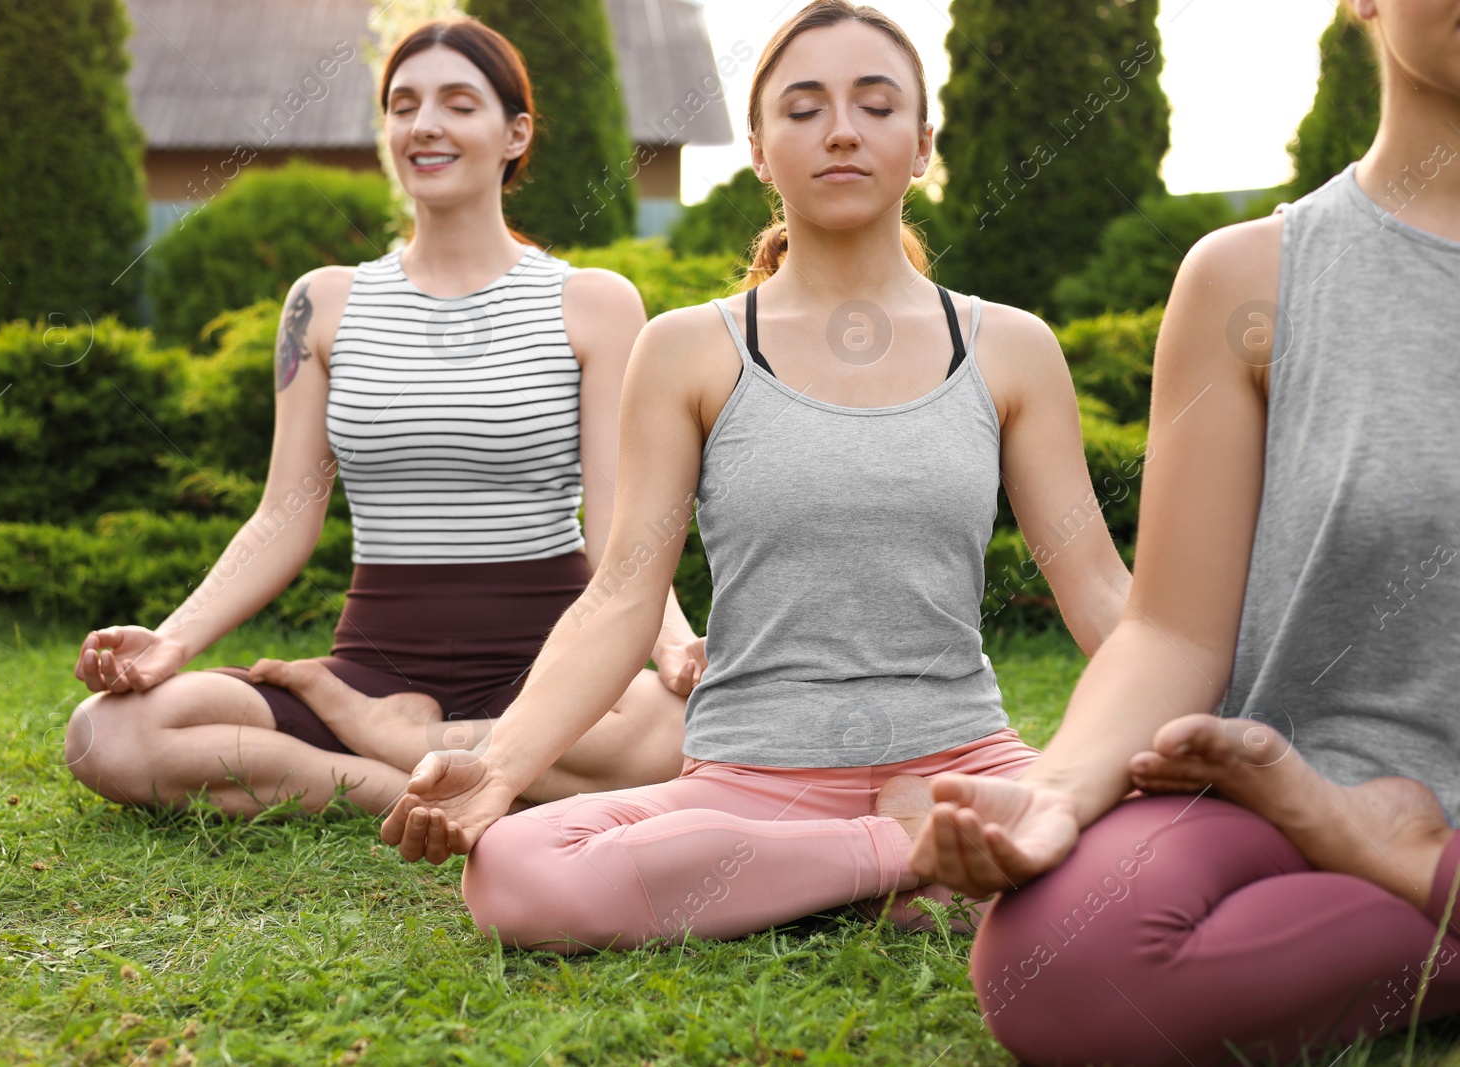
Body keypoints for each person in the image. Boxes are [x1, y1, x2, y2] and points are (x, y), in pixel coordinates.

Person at [378, 0, 1134, 954]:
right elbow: (620, 595)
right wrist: (495, 766)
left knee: (1148, 841)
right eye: (805, 107)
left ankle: (866, 864)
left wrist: (1214, 732)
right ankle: (907, 858)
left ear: (922, 142)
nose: (843, 131)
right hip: (751, 780)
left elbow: (1104, 593)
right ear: (760, 150)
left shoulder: (1010, 349)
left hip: (963, 760)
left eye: (876, 104)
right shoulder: (688, 350)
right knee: (516, 872)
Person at [899, 0, 1460, 1062]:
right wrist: (1055, 789)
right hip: (1282, 789)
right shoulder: (1251, 280)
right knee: (1060, 964)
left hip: (1333, 828)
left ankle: (1395, 859)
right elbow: (1172, 630)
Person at [63, 17, 705, 818]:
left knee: (686, 732)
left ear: (516, 133)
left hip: (552, 659)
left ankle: (399, 746)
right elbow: (282, 517)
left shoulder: (593, 304)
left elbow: (619, 527)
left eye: (458, 103)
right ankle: (467, 777)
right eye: (404, 105)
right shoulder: (323, 304)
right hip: (373, 662)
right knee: (105, 737)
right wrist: (173, 640)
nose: (425, 124)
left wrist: (672, 642)